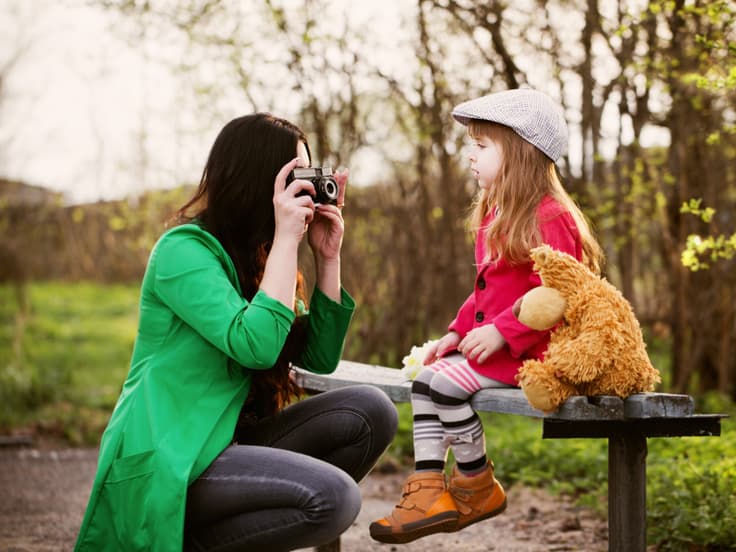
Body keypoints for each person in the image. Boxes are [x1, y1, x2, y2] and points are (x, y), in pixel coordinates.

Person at [74, 113, 398, 551]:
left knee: (370, 409)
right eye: (295, 177)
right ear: (259, 182)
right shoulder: (182, 252)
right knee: (331, 497)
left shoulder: (262, 259)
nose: (305, 189)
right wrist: (286, 240)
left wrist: (327, 257)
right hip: (177, 459)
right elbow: (256, 347)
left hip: (233, 443)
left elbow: (319, 357)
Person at [369, 88, 604, 544]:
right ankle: (430, 489)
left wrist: (503, 331)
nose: (470, 157)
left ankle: (476, 482)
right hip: (502, 346)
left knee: (441, 383)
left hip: (538, 352)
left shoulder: (551, 215)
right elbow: (484, 290)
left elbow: (558, 293)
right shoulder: (495, 213)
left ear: (520, 151)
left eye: (482, 146)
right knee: (428, 378)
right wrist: (458, 333)